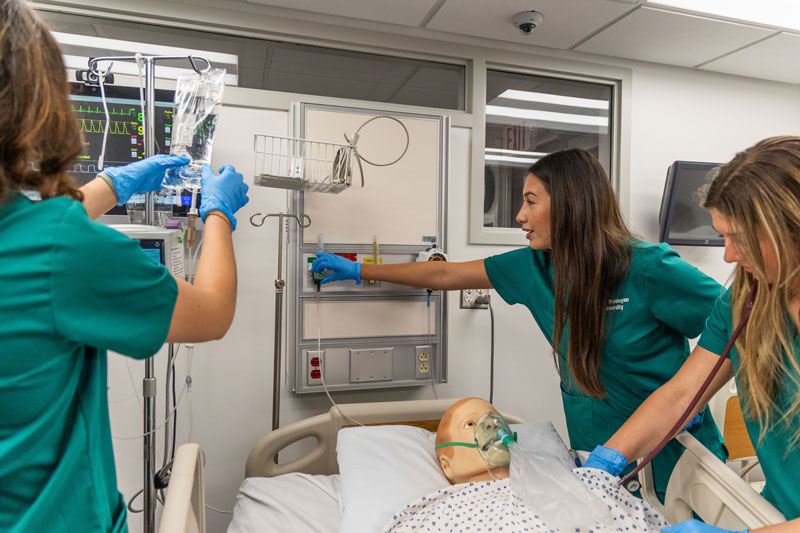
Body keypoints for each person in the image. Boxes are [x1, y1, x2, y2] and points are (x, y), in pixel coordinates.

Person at [312, 147, 728, 502]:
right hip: (595, 448)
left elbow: (741, 326)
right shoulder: (533, 269)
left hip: (678, 447)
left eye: (531, 201)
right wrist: (360, 270)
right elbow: (443, 276)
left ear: (568, 204)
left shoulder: (649, 268)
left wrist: (693, 396)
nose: (519, 215)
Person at [0, 2, 249, 532]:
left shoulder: (44, 242)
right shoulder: (59, 249)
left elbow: (38, 237)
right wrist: (218, 214)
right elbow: (213, 313)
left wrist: (115, 183)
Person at [584, 136, 800, 532]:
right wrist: (607, 461)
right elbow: (683, 393)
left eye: (741, 238)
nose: (729, 256)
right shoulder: (747, 300)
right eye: (724, 237)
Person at [434, 397, 510, 484]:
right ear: (447, 466)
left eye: (496, 418)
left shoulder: (528, 478)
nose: (492, 423)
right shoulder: (448, 497)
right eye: (470, 424)